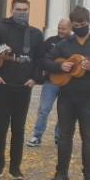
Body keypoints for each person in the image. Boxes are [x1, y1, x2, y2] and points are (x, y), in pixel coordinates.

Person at [42, 6, 90, 180]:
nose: (79, 27)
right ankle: (61, 173)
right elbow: (47, 61)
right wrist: (61, 67)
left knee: (88, 137)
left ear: (89, 23)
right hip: (67, 96)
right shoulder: (64, 44)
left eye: (82, 24)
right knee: (65, 135)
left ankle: (89, 175)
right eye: (75, 25)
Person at [0, 0, 43, 180]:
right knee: (1, 127)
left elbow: (40, 58)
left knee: (19, 128)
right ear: (12, 9)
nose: (22, 12)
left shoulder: (35, 33)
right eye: (18, 9)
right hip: (3, 85)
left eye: (25, 9)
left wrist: (35, 79)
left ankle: (15, 168)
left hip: (23, 87)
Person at [27, 18, 70, 147]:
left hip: (68, 82)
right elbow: (42, 60)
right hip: (51, 81)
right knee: (43, 109)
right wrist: (37, 78)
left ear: (70, 29)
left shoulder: (73, 43)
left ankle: (59, 136)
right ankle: (37, 135)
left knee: (64, 112)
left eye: (64, 29)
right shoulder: (50, 42)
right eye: (59, 28)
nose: (61, 31)